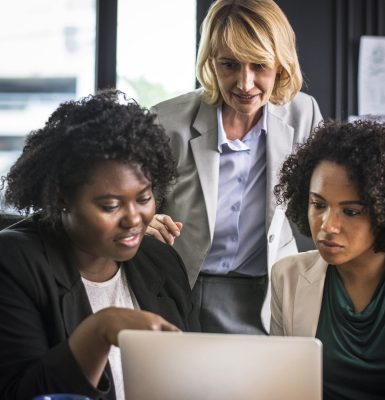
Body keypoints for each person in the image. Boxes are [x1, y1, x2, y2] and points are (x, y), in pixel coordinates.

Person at [0, 90, 197, 400]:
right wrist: (101, 329)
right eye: (110, 205)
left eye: (143, 199)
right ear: (63, 197)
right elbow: (21, 394)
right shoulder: (14, 262)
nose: (134, 218)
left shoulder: (161, 262)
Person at [147, 0, 323, 334]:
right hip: (179, 285)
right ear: (211, 63)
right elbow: (135, 205)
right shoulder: (166, 121)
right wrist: (146, 221)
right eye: (229, 65)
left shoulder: (303, 115)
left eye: (259, 65)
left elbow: (326, 198)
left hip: (267, 289)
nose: (244, 83)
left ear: (281, 66)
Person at [271, 120, 385, 399]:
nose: (328, 226)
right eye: (318, 205)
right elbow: (282, 387)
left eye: (351, 211)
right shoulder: (287, 276)